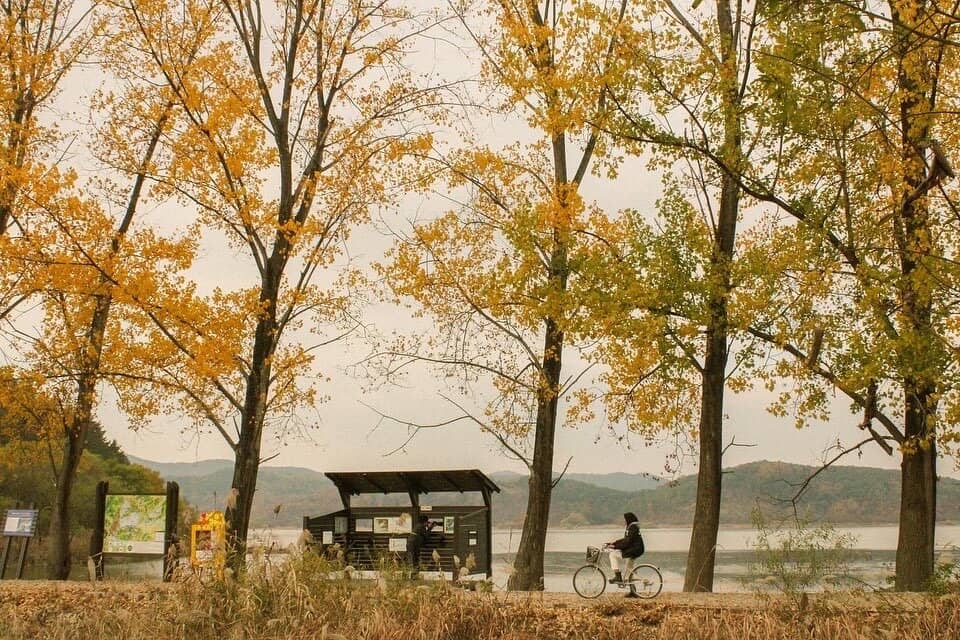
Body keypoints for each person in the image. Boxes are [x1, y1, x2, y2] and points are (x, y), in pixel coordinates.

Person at [605, 512, 644, 593]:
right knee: (629, 570)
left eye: (625, 519)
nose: (624, 521)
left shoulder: (632, 528)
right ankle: (633, 592)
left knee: (613, 555)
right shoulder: (632, 527)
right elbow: (625, 540)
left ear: (628, 519)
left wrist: (615, 546)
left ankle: (617, 576)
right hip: (636, 549)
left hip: (635, 550)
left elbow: (627, 542)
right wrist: (614, 543)